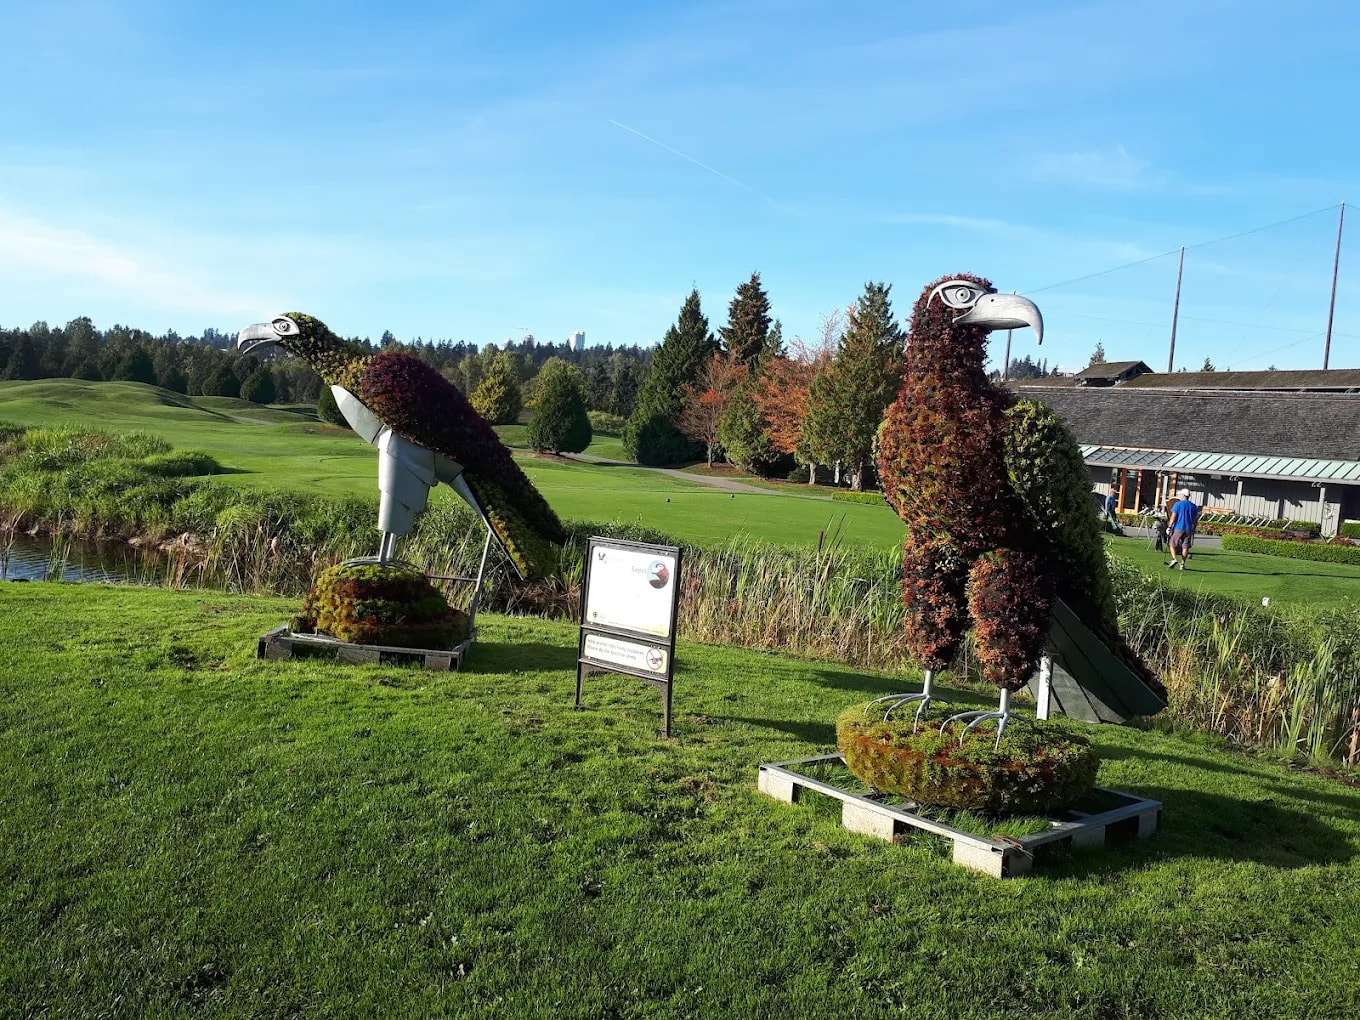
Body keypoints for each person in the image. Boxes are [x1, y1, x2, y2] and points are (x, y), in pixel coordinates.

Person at [1167, 488, 1200, 570]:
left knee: (1172, 543)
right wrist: (1193, 528)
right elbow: (1195, 519)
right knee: (1185, 547)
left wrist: (1169, 527)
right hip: (1189, 528)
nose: (1179, 496)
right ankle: (1182, 564)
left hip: (1179, 527)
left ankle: (1174, 559)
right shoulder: (1193, 506)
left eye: (1180, 494)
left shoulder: (1178, 504)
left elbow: (1173, 517)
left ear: (1184, 495)